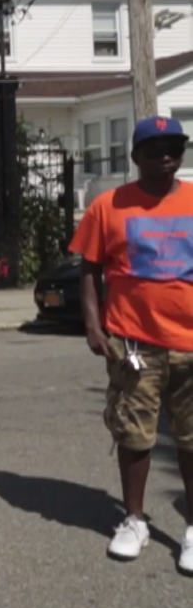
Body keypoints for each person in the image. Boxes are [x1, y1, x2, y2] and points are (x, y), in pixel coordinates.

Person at [70, 115, 193, 573]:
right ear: (135, 156)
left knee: (191, 437)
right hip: (132, 342)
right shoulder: (108, 206)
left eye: (174, 147)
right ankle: (135, 520)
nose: (166, 155)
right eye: (155, 148)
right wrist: (92, 323)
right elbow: (89, 267)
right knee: (134, 433)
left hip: (191, 342)